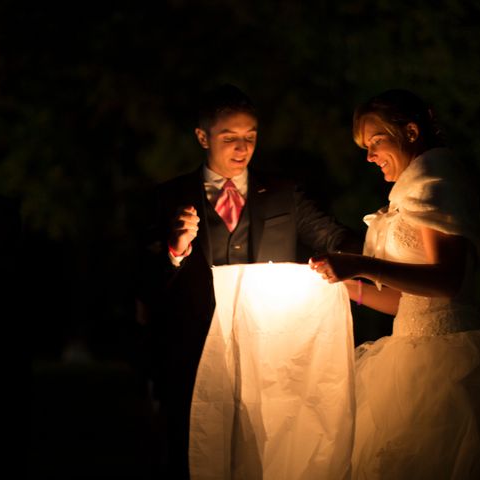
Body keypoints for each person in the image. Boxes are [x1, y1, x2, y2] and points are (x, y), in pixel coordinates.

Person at [310, 89, 480, 479]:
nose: (369, 156)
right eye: (366, 147)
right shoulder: (411, 192)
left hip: (446, 363)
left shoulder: (435, 184)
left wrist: (360, 263)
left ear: (410, 132)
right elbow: (405, 303)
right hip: (408, 354)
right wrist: (343, 285)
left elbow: (446, 282)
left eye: (376, 141)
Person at [138, 84, 360, 478]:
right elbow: (144, 285)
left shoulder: (283, 194)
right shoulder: (168, 197)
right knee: (193, 456)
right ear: (203, 137)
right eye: (229, 138)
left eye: (250, 137)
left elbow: (333, 236)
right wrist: (175, 251)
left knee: (263, 455)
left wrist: (381, 249)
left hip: (269, 352)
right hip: (194, 351)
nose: (242, 147)